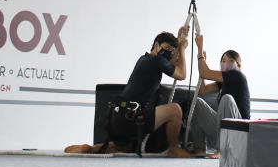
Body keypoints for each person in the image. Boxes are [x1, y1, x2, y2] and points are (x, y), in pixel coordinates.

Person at [67, 26, 192, 157]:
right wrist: (182, 48)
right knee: (175, 110)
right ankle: (173, 148)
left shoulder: (144, 59)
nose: (168, 53)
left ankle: (89, 149)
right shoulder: (157, 60)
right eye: (166, 49)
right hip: (132, 116)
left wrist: (179, 39)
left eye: (171, 51)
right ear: (156, 45)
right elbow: (181, 74)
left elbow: (172, 62)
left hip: (118, 117)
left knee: (123, 148)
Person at [187, 35, 251, 154]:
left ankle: (222, 149)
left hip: (239, 130)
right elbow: (203, 90)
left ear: (238, 65)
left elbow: (205, 72)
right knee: (197, 102)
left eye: (231, 61)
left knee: (227, 99)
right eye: (223, 61)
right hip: (223, 129)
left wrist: (200, 48)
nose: (226, 63)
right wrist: (202, 62)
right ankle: (199, 147)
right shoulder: (223, 81)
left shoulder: (238, 76)